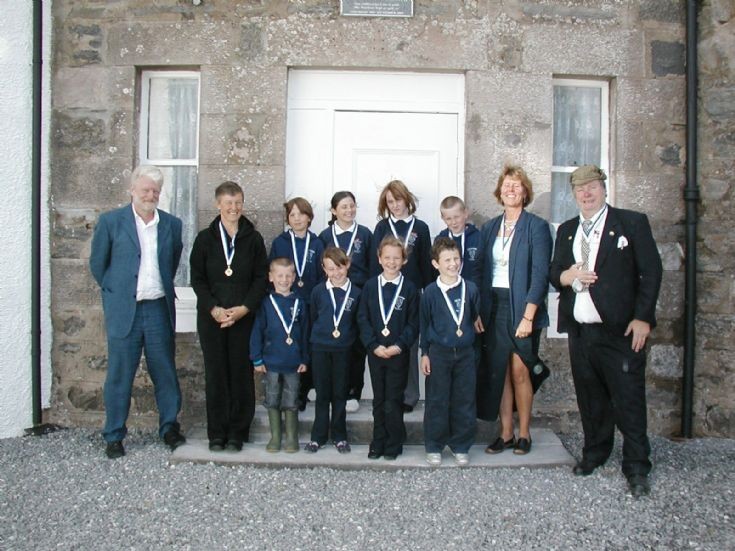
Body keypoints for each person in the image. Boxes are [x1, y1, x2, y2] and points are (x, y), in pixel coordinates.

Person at [550, 165, 662, 498]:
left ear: (604, 188)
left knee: (628, 400)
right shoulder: (568, 230)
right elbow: (555, 273)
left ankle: (637, 466)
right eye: (580, 189)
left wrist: (643, 318)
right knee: (591, 398)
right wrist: (566, 277)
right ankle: (595, 454)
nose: (586, 193)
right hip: (581, 332)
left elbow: (651, 272)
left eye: (592, 186)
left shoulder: (631, 223)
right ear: (573, 194)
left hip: (620, 332)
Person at [89, 165, 186, 459]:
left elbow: (173, 259)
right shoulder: (111, 222)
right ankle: (114, 434)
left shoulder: (171, 224)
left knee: (165, 372)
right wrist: (117, 293)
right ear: (132, 189)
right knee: (119, 375)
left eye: (155, 190)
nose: (150, 195)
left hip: (157, 307)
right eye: (145, 189)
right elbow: (98, 265)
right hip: (125, 309)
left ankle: (169, 427)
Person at [476, 166, 552, 456]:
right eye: (507, 185)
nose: (511, 190)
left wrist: (529, 316)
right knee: (499, 372)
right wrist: (477, 311)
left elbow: (540, 274)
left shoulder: (536, 226)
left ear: (525, 192)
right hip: (493, 305)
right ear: (499, 191)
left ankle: (524, 433)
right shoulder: (490, 228)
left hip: (522, 306)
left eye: (517, 186)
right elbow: (481, 271)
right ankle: (505, 433)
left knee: (520, 370)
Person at [190, 181, 268, 452]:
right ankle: (217, 433)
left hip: (243, 318)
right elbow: (197, 280)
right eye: (228, 203)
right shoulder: (204, 239)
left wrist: (244, 308)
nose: (233, 208)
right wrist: (213, 309)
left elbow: (261, 279)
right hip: (212, 318)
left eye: (237, 203)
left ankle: (237, 432)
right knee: (216, 375)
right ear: (218, 205)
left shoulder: (253, 239)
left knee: (240, 374)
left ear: (242, 204)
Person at [357, 236, 420, 460]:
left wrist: (399, 346)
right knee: (379, 399)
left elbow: (414, 323)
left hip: (397, 353)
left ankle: (394, 442)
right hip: (376, 353)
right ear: (379, 258)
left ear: (404, 260)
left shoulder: (410, 288)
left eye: (396, 258)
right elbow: (362, 318)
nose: (391, 262)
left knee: (394, 399)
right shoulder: (370, 286)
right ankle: (378, 440)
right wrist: (373, 345)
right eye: (387, 258)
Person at [420, 237, 481, 466]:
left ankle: (461, 445)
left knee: (464, 399)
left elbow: (473, 316)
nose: (453, 264)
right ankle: (434, 445)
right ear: (436, 264)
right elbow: (424, 325)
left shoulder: (471, 289)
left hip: (465, 353)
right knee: (437, 399)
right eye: (447, 260)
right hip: (438, 353)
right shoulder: (430, 292)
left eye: (456, 258)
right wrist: (424, 352)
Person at [373, 180, 432, 413]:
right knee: (386, 341)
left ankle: (409, 396)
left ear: (407, 199)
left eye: (398, 200)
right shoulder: (381, 228)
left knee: (409, 343)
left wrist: (427, 291)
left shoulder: (421, 228)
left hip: (412, 293)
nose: (395, 205)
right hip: (385, 293)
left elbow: (426, 265)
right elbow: (373, 262)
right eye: (389, 201)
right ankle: (389, 393)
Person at [318, 191, 373, 413]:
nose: (349, 210)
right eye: (343, 207)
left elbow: (372, 268)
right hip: (333, 294)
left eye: (352, 206)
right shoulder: (324, 235)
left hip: (357, 295)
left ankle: (353, 392)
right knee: (333, 343)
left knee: (357, 345)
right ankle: (331, 391)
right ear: (333, 211)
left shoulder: (365, 234)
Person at [270, 197, 324, 411]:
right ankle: (288, 393)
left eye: (301, 214)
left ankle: (305, 391)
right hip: (286, 303)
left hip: (310, 304)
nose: (297, 218)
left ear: (309, 216)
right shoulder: (280, 242)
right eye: (292, 215)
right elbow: (273, 274)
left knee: (307, 343)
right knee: (289, 344)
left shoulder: (318, 242)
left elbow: (323, 275)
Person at [305, 246, 361, 454]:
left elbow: (357, 322)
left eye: (339, 267)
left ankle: (339, 436)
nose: (336, 273)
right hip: (320, 348)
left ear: (347, 265)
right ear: (324, 269)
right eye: (331, 269)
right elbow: (313, 319)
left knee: (340, 393)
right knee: (322, 394)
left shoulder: (355, 293)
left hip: (343, 350)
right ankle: (317, 436)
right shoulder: (318, 291)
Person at [251, 257, 309, 453]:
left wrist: (304, 358)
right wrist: (256, 358)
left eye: (287, 275)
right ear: (271, 277)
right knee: (272, 397)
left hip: (293, 362)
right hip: (271, 362)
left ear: (293, 277)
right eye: (279, 276)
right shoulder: (266, 303)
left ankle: (292, 437)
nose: (283, 280)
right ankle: (276, 437)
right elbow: (257, 331)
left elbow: (306, 332)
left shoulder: (300, 302)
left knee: (292, 399)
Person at [436, 196, 481, 286]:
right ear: (443, 218)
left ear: (465, 213)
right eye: (448, 219)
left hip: (473, 291)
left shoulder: (478, 237)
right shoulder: (440, 240)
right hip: (447, 291)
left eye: (456, 217)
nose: (453, 222)